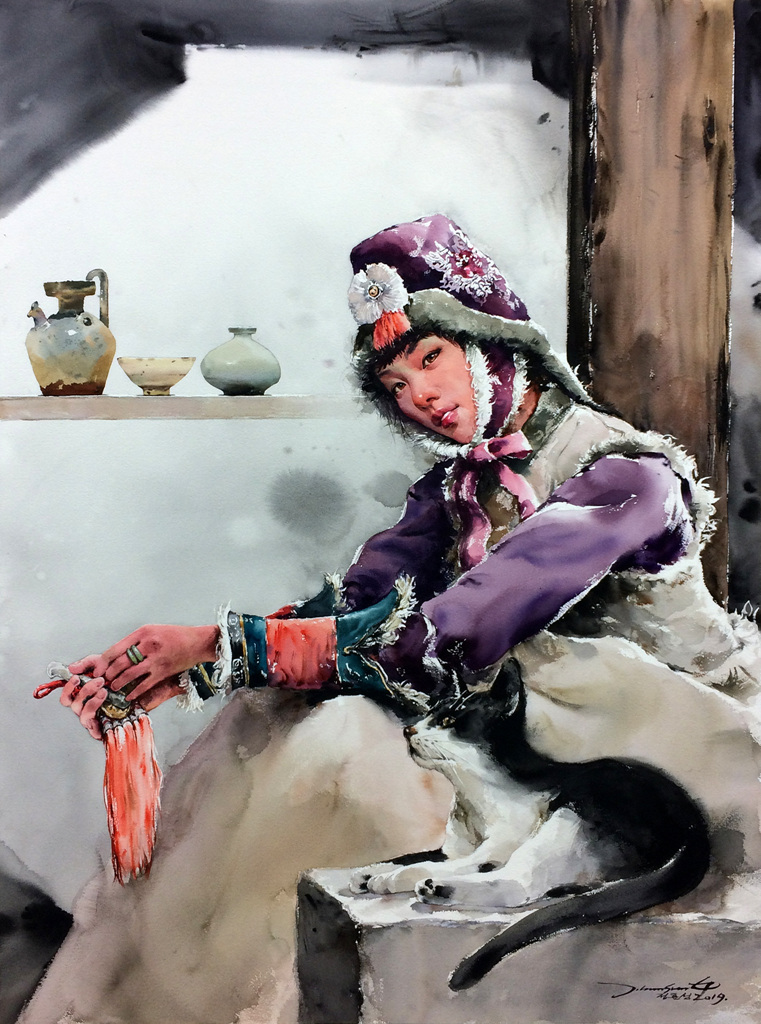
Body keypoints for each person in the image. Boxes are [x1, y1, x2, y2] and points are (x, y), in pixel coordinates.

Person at [60, 213, 761, 867]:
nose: (418, 395)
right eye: (395, 384)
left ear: (497, 342)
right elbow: (364, 599)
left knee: (335, 753)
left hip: (658, 735)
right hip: (531, 723)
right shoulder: (458, 485)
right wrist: (193, 664)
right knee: (270, 718)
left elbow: (450, 633)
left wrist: (226, 647)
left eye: (430, 357)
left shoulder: (625, 473)